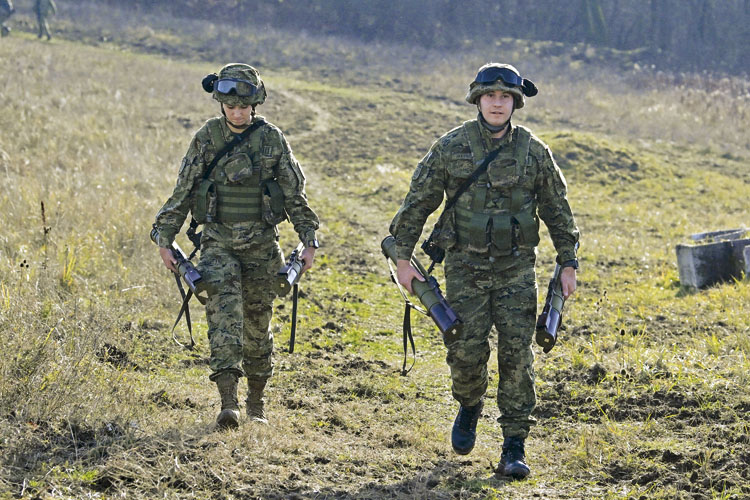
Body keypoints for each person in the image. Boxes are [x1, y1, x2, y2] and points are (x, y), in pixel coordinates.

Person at [389, 63, 579, 479]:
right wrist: (403, 258)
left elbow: (557, 208)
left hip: (516, 270)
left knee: (518, 356)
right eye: (490, 96)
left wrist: (568, 261)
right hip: (465, 268)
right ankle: (470, 403)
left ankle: (513, 445)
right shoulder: (451, 147)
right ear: (478, 100)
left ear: (515, 103)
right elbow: (418, 202)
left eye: (505, 97)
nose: (497, 103)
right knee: (465, 352)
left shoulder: (533, 152)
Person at [152, 63, 320, 429]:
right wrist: (165, 239)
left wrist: (309, 240)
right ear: (221, 104)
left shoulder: (271, 140)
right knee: (224, 319)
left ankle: (256, 404)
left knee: (257, 326)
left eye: (244, 107)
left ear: (255, 104)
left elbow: (294, 194)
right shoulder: (207, 138)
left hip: (262, 247)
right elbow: (183, 191)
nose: (238, 113)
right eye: (231, 107)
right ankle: (228, 403)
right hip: (218, 244)